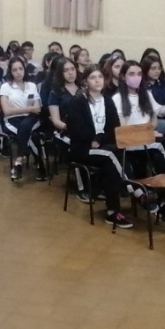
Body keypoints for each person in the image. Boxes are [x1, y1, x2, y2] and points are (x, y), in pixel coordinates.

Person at [63, 65, 132, 229]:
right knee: (112, 155)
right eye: (93, 77)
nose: (97, 80)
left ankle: (112, 211)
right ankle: (136, 191)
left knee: (113, 159)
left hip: (102, 146)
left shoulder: (107, 100)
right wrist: (94, 139)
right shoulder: (78, 101)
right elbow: (76, 130)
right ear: (86, 81)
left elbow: (114, 128)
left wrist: (99, 139)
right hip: (82, 148)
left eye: (100, 77)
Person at [111, 61, 165, 221]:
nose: (136, 77)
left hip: (147, 144)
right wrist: (144, 130)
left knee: (161, 154)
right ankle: (141, 195)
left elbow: (154, 121)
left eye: (139, 74)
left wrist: (145, 129)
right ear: (123, 77)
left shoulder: (146, 95)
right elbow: (123, 127)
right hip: (128, 146)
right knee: (122, 159)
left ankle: (163, 202)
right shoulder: (117, 99)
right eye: (132, 74)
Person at [0, 56, 42, 182]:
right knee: (33, 135)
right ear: (10, 72)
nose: (18, 72)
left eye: (21, 69)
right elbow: (7, 111)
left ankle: (18, 162)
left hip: (31, 118)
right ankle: (40, 164)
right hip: (12, 120)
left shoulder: (31, 85)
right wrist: (29, 109)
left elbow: (37, 108)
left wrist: (29, 110)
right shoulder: (6, 87)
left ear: (24, 69)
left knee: (26, 126)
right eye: (15, 70)